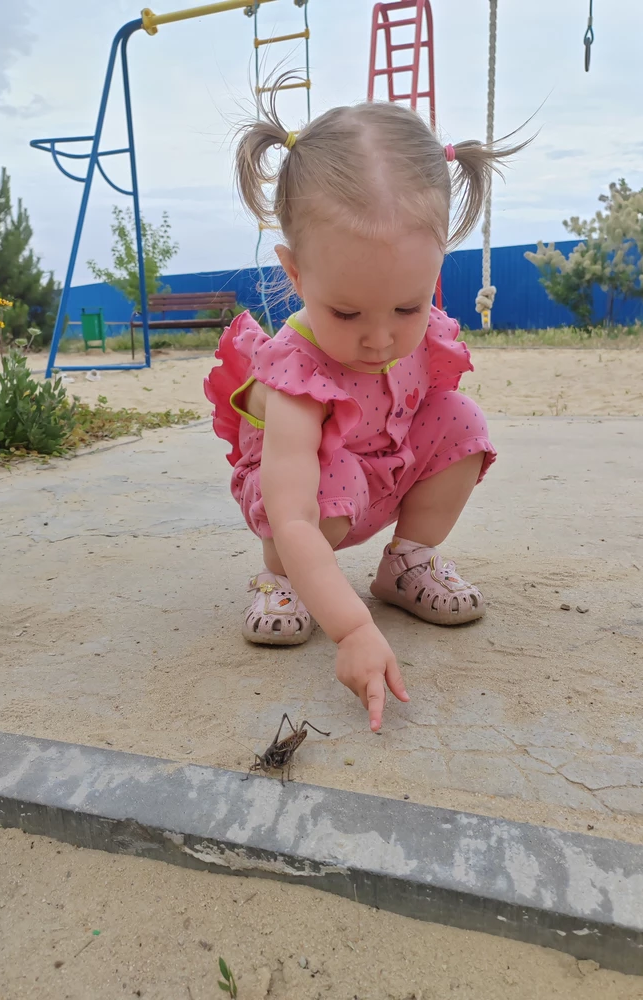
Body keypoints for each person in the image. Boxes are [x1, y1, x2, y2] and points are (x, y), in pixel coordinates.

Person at [205, 95, 524, 732]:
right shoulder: (298, 374)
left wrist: (403, 322)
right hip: (303, 505)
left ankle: (407, 562)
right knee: (330, 484)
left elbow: (434, 416)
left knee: (462, 421)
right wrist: (351, 628)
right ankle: (283, 582)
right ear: (296, 272)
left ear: (437, 263)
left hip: (382, 471)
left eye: (407, 308)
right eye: (347, 314)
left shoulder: (417, 333)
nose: (380, 339)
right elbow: (292, 514)